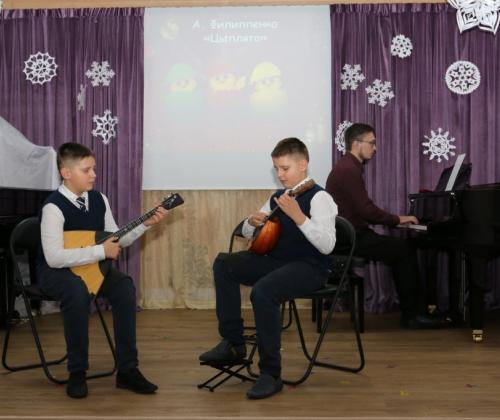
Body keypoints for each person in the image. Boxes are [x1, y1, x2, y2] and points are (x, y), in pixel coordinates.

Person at [199, 137, 337, 399]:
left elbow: (328, 246)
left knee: (263, 291)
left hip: (310, 267)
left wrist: (298, 216)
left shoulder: (321, 197)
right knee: (224, 264)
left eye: (285, 168)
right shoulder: (278, 197)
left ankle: (271, 374)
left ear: (303, 164)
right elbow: (250, 231)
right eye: (276, 168)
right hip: (277, 262)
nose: (280, 174)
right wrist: (251, 222)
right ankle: (234, 343)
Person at [37, 142, 167, 399]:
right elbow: (53, 257)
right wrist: (100, 252)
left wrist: (146, 224)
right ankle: (77, 372)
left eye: (94, 169)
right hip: (57, 272)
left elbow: (115, 239)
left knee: (124, 287)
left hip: (91, 267)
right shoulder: (53, 207)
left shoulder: (99, 199)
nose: (94, 175)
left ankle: (127, 370)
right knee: (76, 291)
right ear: (66, 173)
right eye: (86, 170)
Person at [325, 123, 448, 329]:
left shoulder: (348, 167)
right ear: (356, 143)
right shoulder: (348, 170)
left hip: (351, 235)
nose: (375, 148)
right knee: (404, 250)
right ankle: (412, 316)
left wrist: (395, 220)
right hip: (352, 238)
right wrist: (398, 219)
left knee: (403, 248)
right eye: (372, 143)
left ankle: (416, 311)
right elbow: (367, 211)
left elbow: (364, 210)